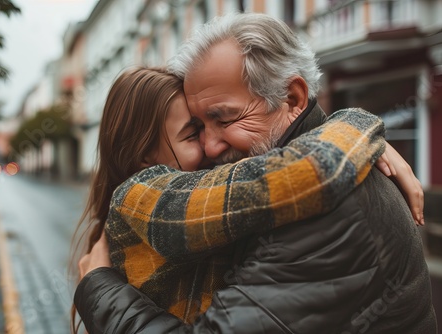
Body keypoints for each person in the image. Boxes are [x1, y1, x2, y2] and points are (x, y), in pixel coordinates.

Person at [75, 13, 436, 334]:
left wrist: (100, 290)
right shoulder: (272, 187)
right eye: (197, 127)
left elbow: (307, 172)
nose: (211, 147)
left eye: (224, 118)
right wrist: (357, 129)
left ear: (292, 99)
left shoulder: (329, 209)